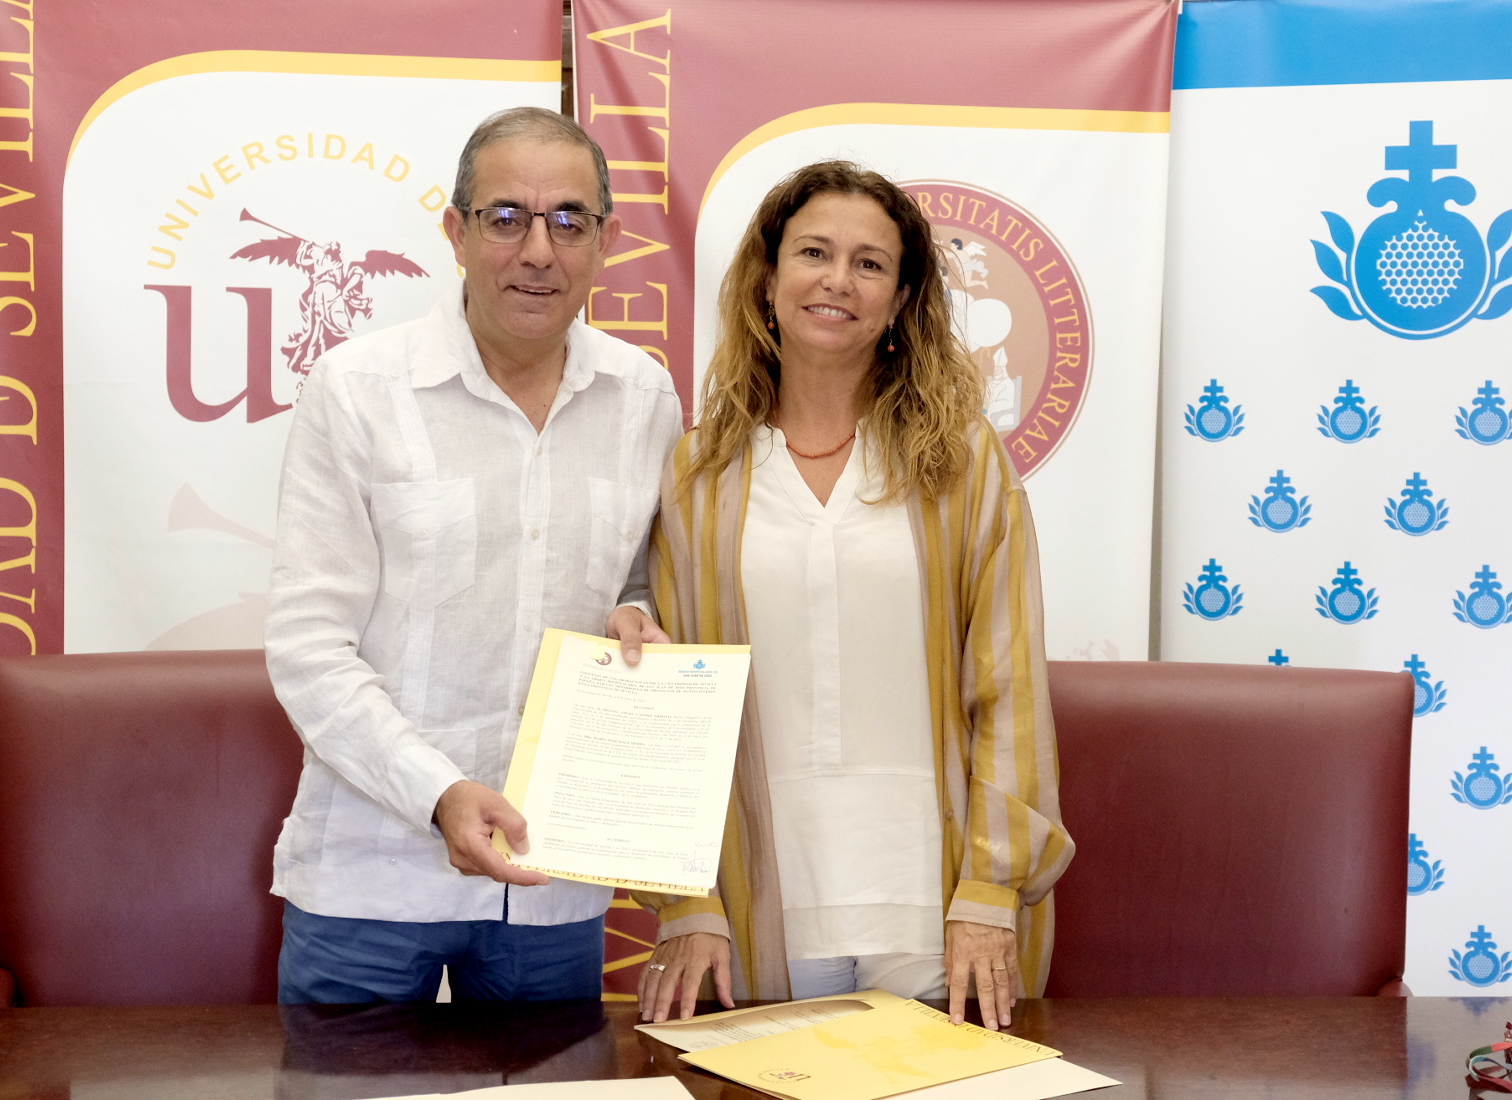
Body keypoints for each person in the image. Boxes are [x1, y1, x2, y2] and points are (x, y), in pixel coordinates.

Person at [634, 162, 1073, 1030]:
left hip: (938, 905)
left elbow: (1010, 686)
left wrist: (991, 885)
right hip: (763, 903)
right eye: (814, 253)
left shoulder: (965, 462)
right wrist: (687, 898)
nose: (839, 280)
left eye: (870, 264)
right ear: (767, 280)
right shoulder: (699, 473)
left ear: (903, 299)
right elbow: (678, 710)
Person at [265, 106, 681, 1003]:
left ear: (605, 242)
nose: (540, 250)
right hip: (370, 877)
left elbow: (642, 581)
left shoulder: (644, 396)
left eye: (570, 220)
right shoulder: (357, 390)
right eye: (507, 218)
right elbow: (308, 649)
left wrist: (641, 619)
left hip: (552, 883)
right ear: (456, 233)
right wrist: (439, 792)